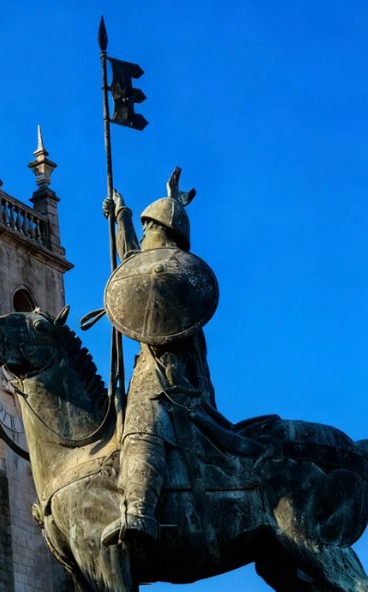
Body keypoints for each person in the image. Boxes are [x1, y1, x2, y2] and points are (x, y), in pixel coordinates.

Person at [100, 169, 217, 547]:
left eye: (149, 227)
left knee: (141, 425)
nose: (145, 233)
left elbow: (138, 268)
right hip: (156, 370)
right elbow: (135, 264)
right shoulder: (164, 272)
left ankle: (140, 511)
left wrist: (132, 215)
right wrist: (122, 216)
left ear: (162, 232)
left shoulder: (172, 276)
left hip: (169, 377)